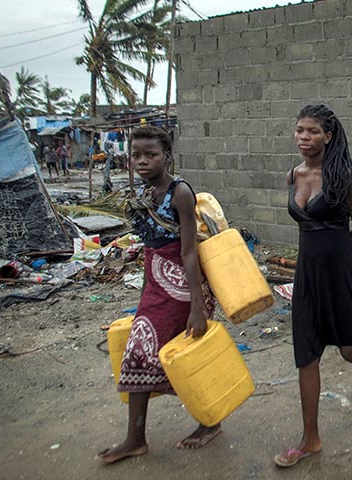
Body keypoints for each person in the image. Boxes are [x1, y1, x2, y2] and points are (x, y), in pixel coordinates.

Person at [275, 104, 352, 468]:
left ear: (328, 135)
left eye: (312, 131)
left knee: (348, 348)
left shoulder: (343, 178)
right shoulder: (293, 175)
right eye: (299, 130)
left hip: (339, 269)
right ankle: (310, 438)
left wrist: (339, 256)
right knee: (306, 354)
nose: (304, 137)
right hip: (307, 274)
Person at [97, 126, 219, 464]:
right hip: (155, 282)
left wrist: (197, 306)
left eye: (151, 154)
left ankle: (210, 422)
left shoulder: (179, 193)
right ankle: (135, 438)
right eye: (136, 155)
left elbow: (189, 252)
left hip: (182, 286)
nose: (142, 161)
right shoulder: (142, 195)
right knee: (142, 353)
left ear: (166, 155)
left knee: (185, 355)